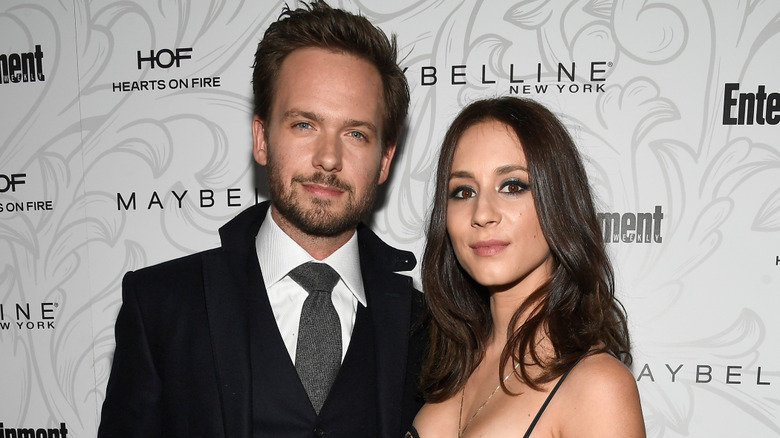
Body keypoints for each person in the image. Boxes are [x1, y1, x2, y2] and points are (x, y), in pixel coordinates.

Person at [98, 2, 425, 437]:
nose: (329, 158)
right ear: (261, 138)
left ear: (384, 161)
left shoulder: (426, 327)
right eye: (304, 125)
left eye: (355, 134)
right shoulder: (161, 307)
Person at [409, 97, 645, 437]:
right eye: (463, 192)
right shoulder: (446, 363)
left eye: (512, 186)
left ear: (558, 202)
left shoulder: (597, 386)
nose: (482, 213)